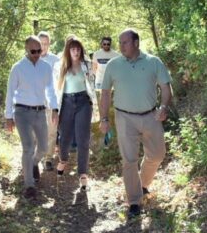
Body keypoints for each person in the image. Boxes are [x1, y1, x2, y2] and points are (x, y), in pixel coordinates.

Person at [99, 29, 172, 218]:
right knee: (129, 160)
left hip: (151, 115)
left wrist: (163, 107)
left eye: (125, 42)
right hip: (124, 117)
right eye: (120, 42)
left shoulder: (153, 62)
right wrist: (104, 118)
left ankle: (143, 184)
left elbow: (165, 87)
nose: (121, 46)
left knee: (157, 154)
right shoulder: (113, 65)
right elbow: (105, 92)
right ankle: (134, 201)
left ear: (136, 43)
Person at [5, 36, 59, 199]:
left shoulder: (45, 67)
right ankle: (29, 185)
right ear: (26, 50)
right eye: (33, 51)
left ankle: (34, 163)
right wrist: (9, 116)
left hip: (40, 111)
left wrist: (55, 108)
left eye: (39, 51)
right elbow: (10, 93)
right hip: (22, 112)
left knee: (43, 147)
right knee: (28, 147)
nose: (37, 54)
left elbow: (51, 90)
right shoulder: (18, 68)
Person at [53, 36, 97, 190]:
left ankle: (83, 173)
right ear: (68, 50)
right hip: (66, 102)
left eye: (78, 48)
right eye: (72, 49)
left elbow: (95, 81)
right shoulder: (60, 66)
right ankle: (63, 159)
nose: (76, 51)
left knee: (82, 138)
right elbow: (54, 89)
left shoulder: (87, 65)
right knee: (64, 135)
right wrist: (54, 109)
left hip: (83, 102)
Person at [37, 31, 61, 170]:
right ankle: (35, 157)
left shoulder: (56, 60)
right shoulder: (30, 58)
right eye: (41, 43)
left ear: (49, 44)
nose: (43, 46)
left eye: (46, 44)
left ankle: (48, 158)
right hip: (35, 100)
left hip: (51, 100)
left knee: (51, 130)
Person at [92, 37, 120, 146]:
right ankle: (102, 132)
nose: (106, 46)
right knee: (101, 107)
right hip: (100, 83)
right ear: (101, 44)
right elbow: (94, 69)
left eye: (108, 44)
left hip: (112, 85)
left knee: (112, 107)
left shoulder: (115, 55)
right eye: (104, 44)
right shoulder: (96, 54)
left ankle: (112, 133)